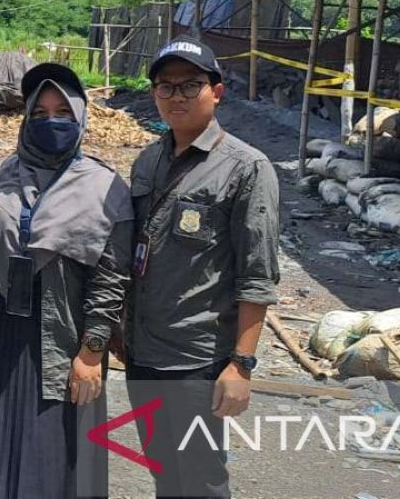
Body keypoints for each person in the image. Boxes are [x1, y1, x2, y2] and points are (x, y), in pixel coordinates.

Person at [0, 63, 133, 499]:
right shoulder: (2, 175)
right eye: (40, 113)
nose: (51, 121)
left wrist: (91, 352)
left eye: (63, 113)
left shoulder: (106, 188)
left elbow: (111, 278)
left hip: (61, 339)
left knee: (53, 458)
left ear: (82, 118)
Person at [124, 37, 280, 499]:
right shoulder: (148, 159)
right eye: (165, 86)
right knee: (164, 474)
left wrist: (241, 364)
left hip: (197, 361)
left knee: (201, 482)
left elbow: (258, 274)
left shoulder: (246, 168)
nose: (176, 97)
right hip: (143, 352)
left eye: (190, 85)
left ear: (217, 90)